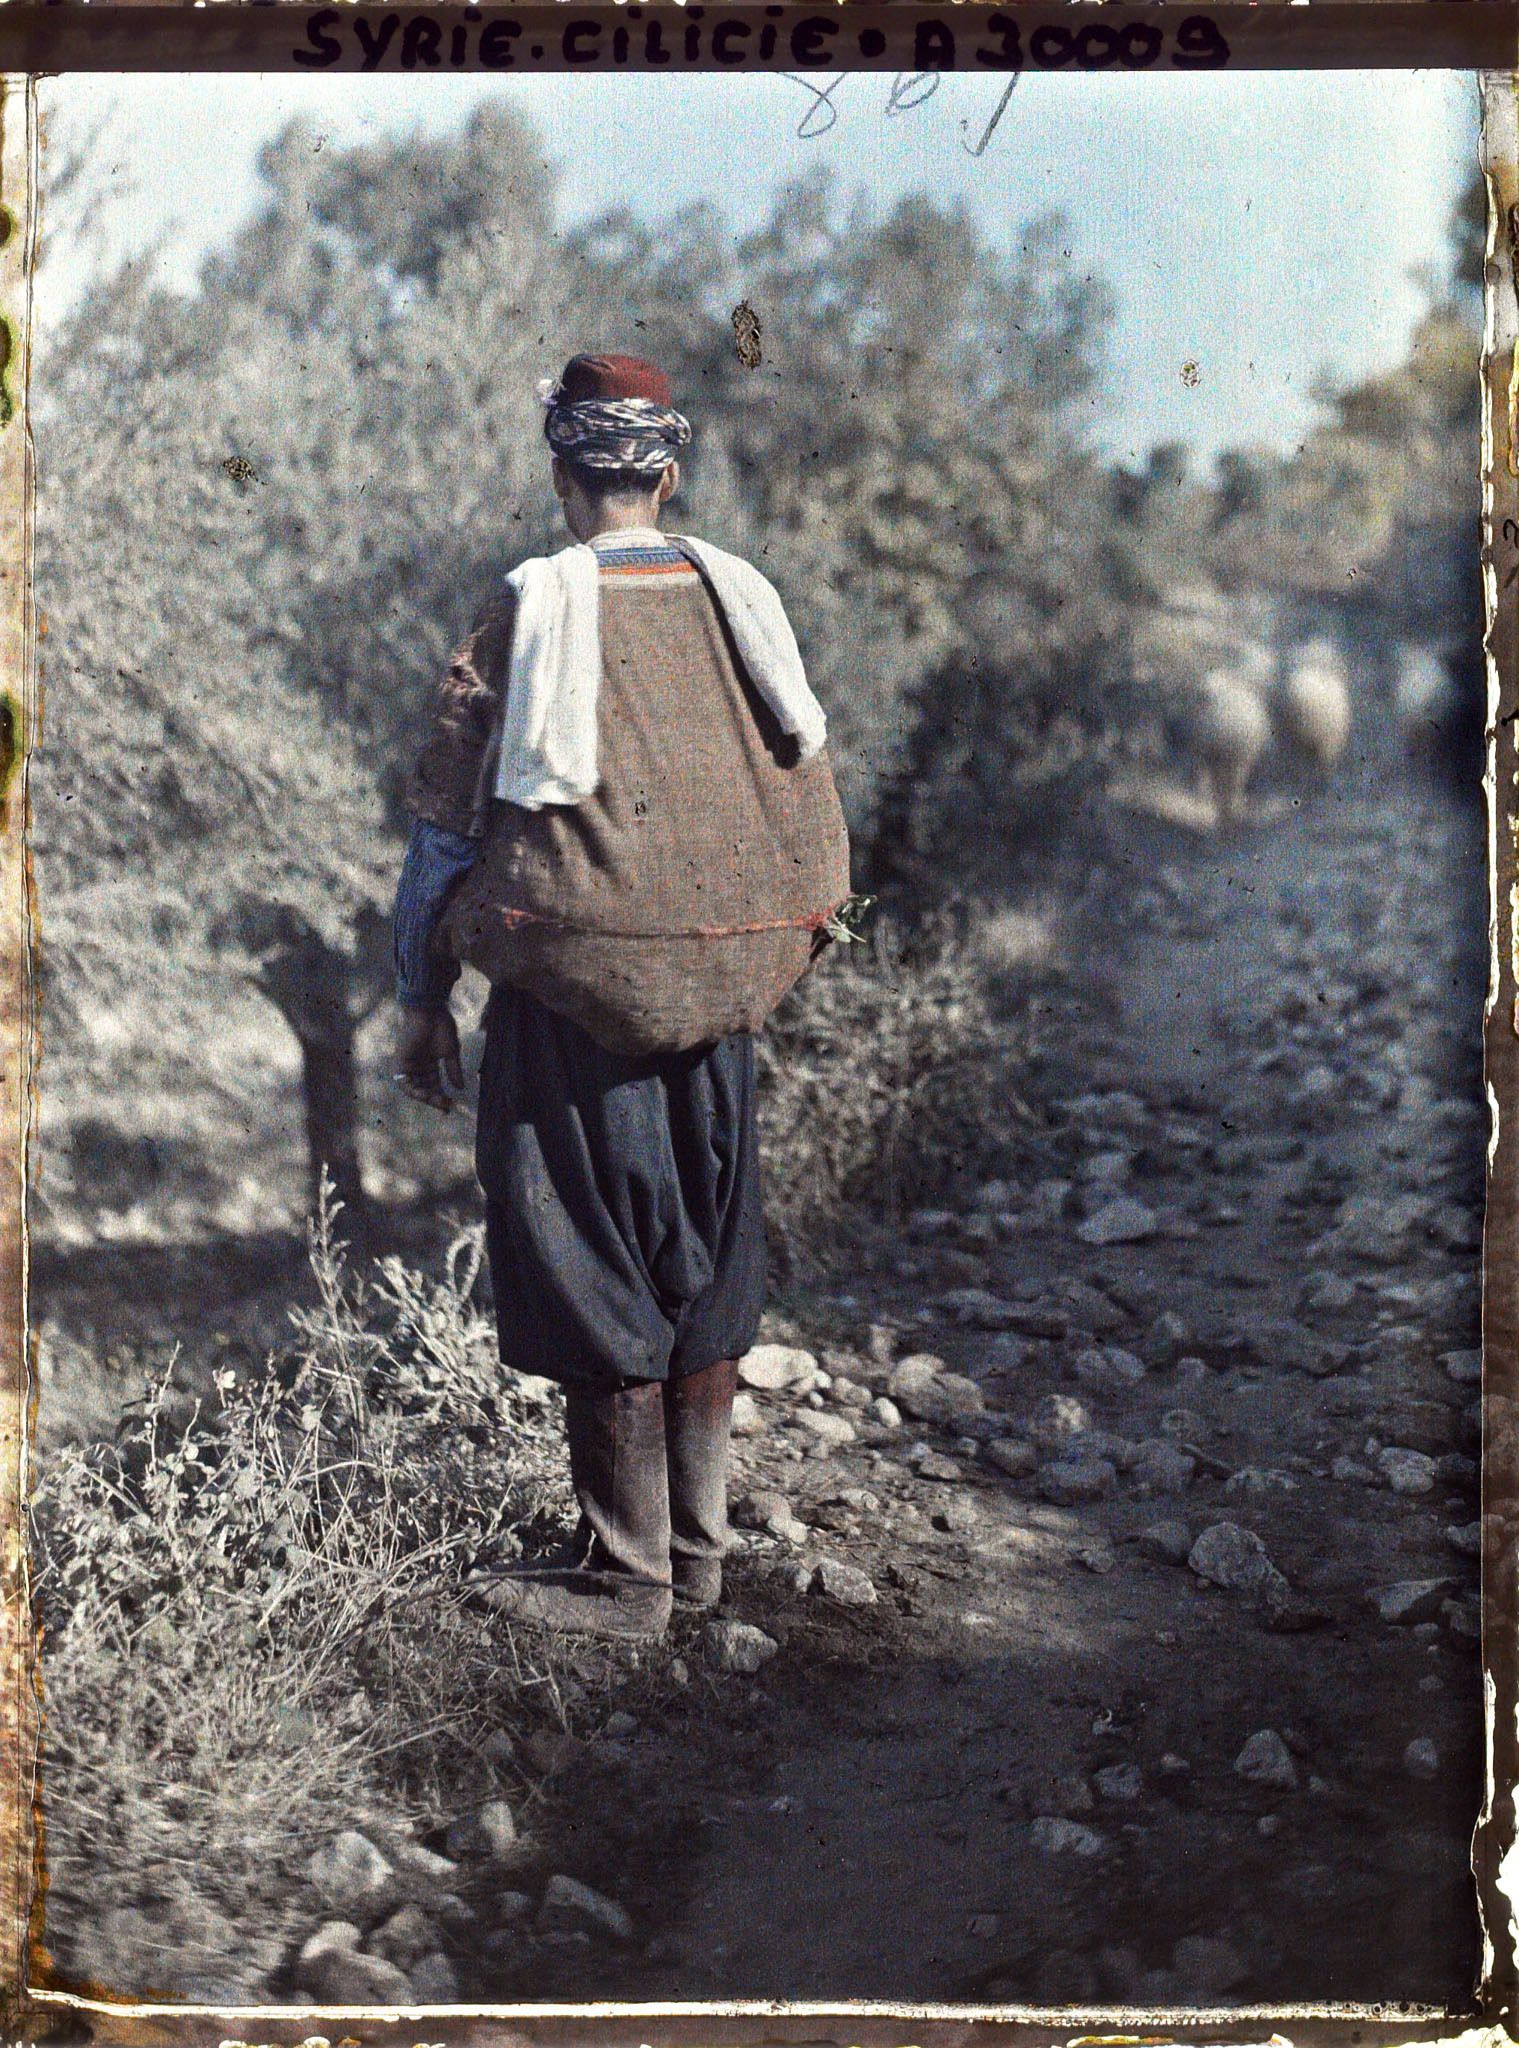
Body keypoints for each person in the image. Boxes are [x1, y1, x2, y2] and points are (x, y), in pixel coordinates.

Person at [391, 352, 851, 1641]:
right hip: (718, 1004)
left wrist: (421, 989)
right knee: (702, 1259)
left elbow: (443, 824)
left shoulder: (529, 606)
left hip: (569, 1007)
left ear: (561, 474)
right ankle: (698, 1557)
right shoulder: (738, 596)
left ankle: (625, 1577)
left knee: (588, 1256)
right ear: (669, 473)